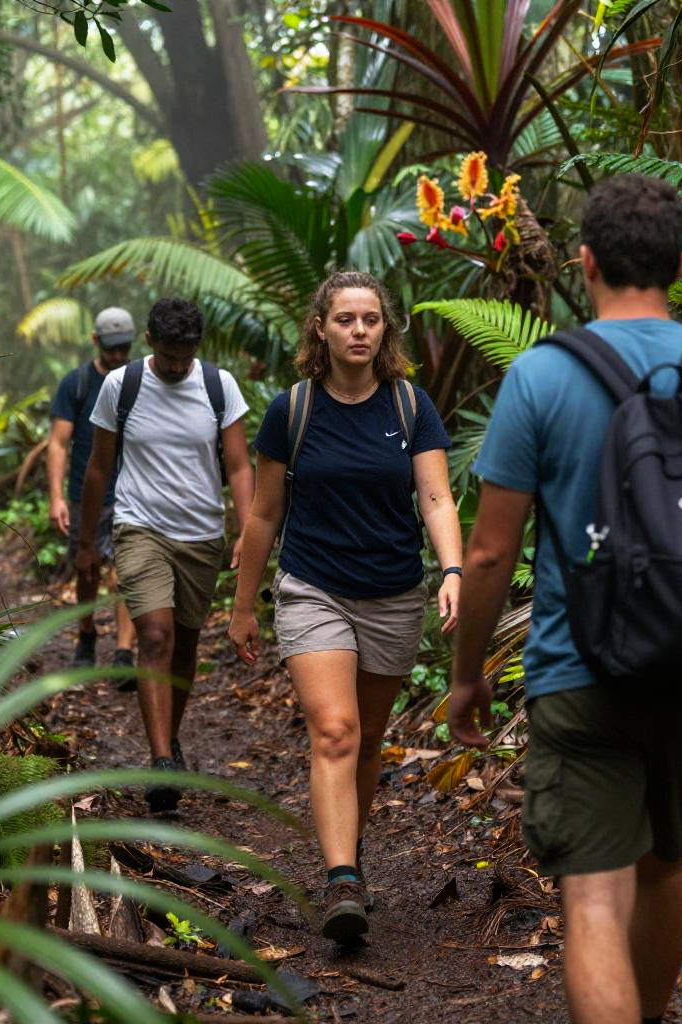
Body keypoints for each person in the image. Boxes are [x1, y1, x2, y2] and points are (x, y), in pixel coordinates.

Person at [447, 174, 682, 1024]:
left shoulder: (542, 377)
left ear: (585, 262)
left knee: (591, 897)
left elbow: (491, 550)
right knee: (667, 863)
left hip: (578, 670)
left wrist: (466, 676)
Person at [228, 270, 463, 945]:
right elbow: (263, 513)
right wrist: (243, 607)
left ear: (384, 329)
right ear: (321, 329)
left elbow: (436, 498)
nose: (359, 331)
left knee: (366, 741)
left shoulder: (410, 406)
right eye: (345, 320)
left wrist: (452, 568)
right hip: (314, 589)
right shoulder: (293, 409)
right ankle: (341, 880)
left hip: (393, 594)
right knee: (335, 732)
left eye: (370, 320)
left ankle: (348, 851)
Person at [77, 297, 254, 814]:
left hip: (201, 535)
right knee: (155, 635)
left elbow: (239, 466)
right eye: (169, 355)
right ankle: (159, 762)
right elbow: (99, 466)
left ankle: (169, 740)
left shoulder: (219, 386)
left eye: (186, 355)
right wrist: (87, 542)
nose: (177, 366)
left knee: (183, 646)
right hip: (140, 527)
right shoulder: (122, 385)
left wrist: (247, 530)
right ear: (150, 341)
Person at [48, 306, 137, 678]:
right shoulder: (77, 383)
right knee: (87, 570)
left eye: (124, 347)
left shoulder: (139, 380)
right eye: (111, 347)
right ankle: (86, 634)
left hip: (133, 492)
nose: (118, 354)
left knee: (127, 572)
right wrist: (56, 497)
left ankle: (123, 652)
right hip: (88, 495)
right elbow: (58, 444)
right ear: (96, 341)